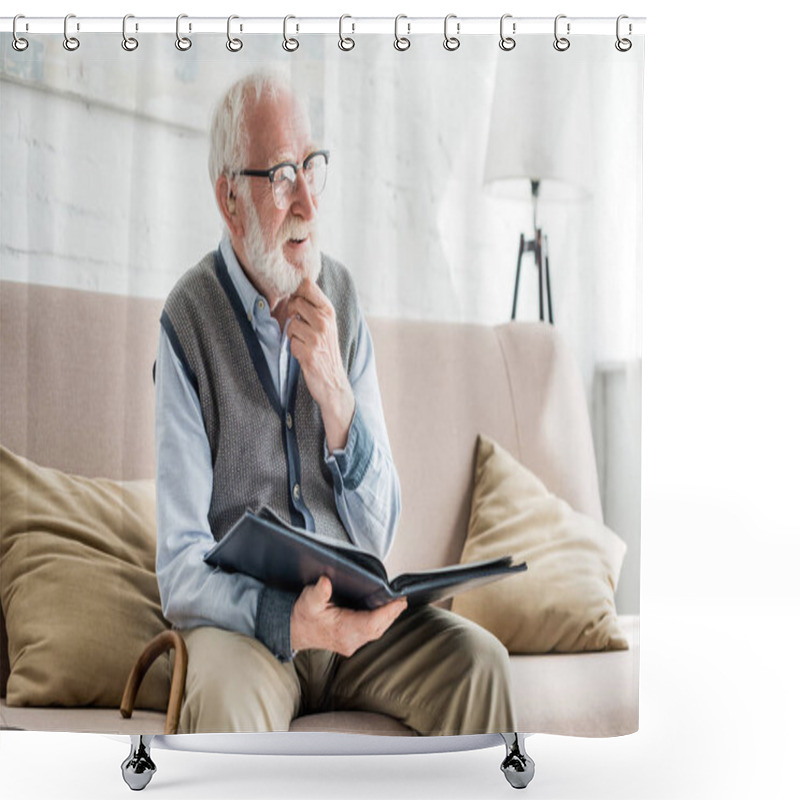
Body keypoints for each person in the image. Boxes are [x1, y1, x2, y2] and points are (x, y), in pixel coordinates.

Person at [154, 72, 515, 735]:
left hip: (358, 626)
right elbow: (179, 571)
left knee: (479, 665)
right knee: (228, 704)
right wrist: (283, 620)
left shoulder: (341, 299)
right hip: (253, 633)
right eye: (283, 176)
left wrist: (337, 396)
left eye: (311, 168)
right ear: (230, 199)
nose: (309, 206)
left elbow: (378, 534)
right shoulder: (188, 321)